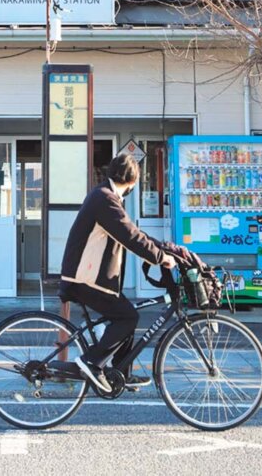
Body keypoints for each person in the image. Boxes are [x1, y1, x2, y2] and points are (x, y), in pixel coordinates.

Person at [60, 151, 179, 394]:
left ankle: (120, 373)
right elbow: (130, 236)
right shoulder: (105, 199)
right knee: (127, 317)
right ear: (133, 182)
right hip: (84, 278)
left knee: (125, 314)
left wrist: (164, 249)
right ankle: (92, 362)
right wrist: (160, 257)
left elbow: (133, 232)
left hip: (89, 277)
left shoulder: (105, 195)